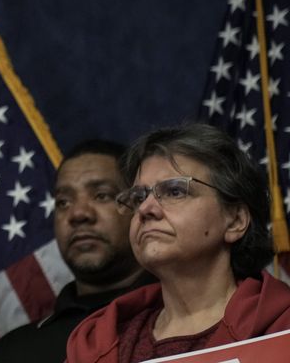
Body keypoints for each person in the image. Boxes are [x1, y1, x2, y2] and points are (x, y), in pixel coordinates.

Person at [66, 123, 290, 362]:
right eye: (139, 197)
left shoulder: (281, 325)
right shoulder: (96, 343)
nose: (145, 209)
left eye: (174, 191)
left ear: (235, 220)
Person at [0, 140, 152, 362]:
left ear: (140, 207)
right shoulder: (13, 352)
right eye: (63, 202)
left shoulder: (181, 323)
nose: (78, 214)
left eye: (102, 195)